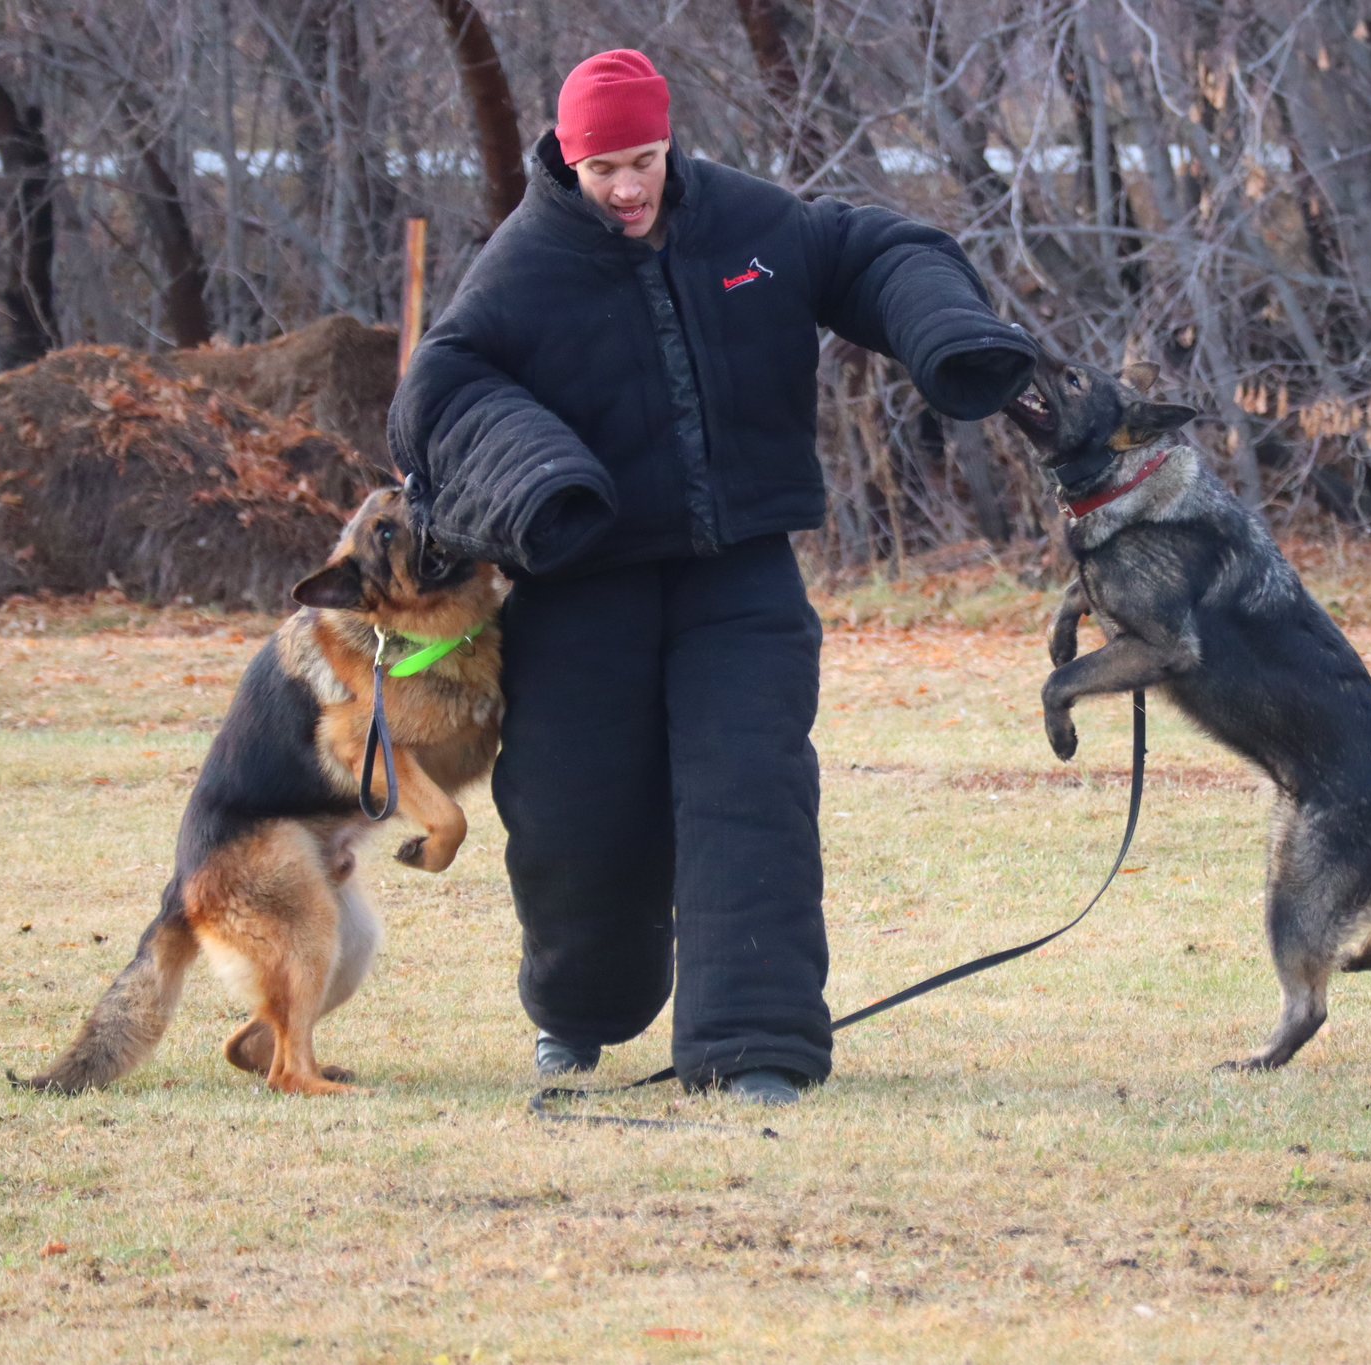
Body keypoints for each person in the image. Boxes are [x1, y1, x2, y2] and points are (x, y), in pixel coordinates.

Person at [389, 50, 1035, 1103]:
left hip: (740, 579)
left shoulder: (751, 225)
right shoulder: (523, 264)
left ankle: (756, 1050)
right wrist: (539, 474)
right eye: (603, 169)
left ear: (667, 143)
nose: (627, 187)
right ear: (566, 158)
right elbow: (439, 390)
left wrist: (946, 334)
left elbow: (875, 251)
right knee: (570, 817)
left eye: (642, 160)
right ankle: (579, 1015)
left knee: (752, 792)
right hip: (583, 583)